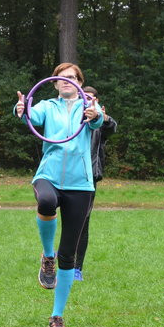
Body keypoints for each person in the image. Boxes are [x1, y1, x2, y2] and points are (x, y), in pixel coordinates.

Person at [14, 62, 103, 327]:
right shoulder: (47, 106)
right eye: (61, 78)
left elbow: (98, 120)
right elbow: (31, 116)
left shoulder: (88, 106)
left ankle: (57, 316)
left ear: (79, 82)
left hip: (81, 184)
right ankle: (47, 255)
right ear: (54, 83)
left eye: (72, 77)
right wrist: (21, 109)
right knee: (46, 202)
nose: (66, 81)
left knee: (69, 255)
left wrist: (95, 114)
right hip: (49, 174)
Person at [73, 86, 117, 281]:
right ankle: (55, 252)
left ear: (97, 102)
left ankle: (77, 268)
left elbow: (112, 127)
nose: (86, 100)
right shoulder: (70, 117)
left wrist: (104, 118)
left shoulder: (99, 122)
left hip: (89, 177)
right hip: (66, 175)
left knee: (83, 222)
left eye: (91, 98)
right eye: (83, 97)